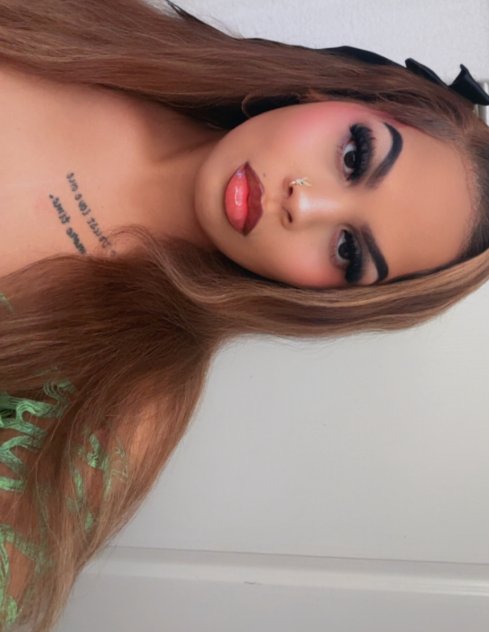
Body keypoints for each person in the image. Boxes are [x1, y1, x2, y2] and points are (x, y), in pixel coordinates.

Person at [0, 0, 488, 629]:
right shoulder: (82, 25)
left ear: (327, 298)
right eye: (354, 157)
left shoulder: (122, 405)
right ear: (339, 92)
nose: (304, 206)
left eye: (347, 250)